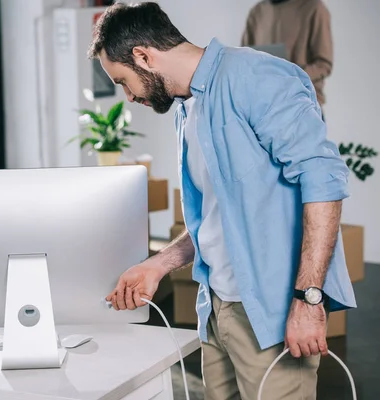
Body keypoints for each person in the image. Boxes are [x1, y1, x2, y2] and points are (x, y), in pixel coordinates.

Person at [89, 3, 355, 399]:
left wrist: (308, 299)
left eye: (125, 81)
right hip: (216, 309)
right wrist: (158, 264)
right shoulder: (187, 107)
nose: (128, 96)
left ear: (144, 56)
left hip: (273, 311)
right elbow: (219, 216)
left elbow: (324, 180)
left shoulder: (257, 77)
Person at [241, 0, 333, 110]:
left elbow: (323, 64)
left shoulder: (314, 8)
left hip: (302, 108)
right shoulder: (257, 12)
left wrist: (291, 78)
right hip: (264, 109)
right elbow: (244, 60)